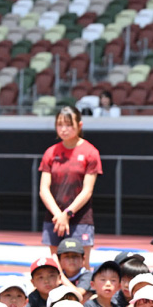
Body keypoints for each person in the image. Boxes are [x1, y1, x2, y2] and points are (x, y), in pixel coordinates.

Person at [39, 105, 102, 271]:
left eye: (68, 125)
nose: (63, 129)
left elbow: (87, 190)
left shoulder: (90, 152)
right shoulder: (51, 152)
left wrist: (68, 214)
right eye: (60, 124)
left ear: (79, 126)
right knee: (56, 267)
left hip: (80, 218)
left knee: (82, 266)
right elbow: (44, 189)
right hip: (55, 218)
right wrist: (58, 215)